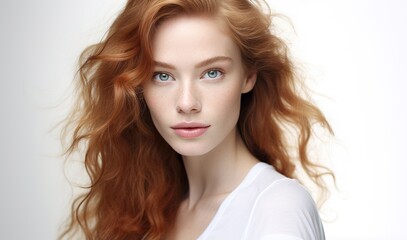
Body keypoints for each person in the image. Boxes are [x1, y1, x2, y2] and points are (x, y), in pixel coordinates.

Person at [61, 0, 334, 239]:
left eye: (212, 73)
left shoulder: (278, 210)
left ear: (248, 75)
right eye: (162, 76)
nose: (187, 103)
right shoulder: (149, 208)